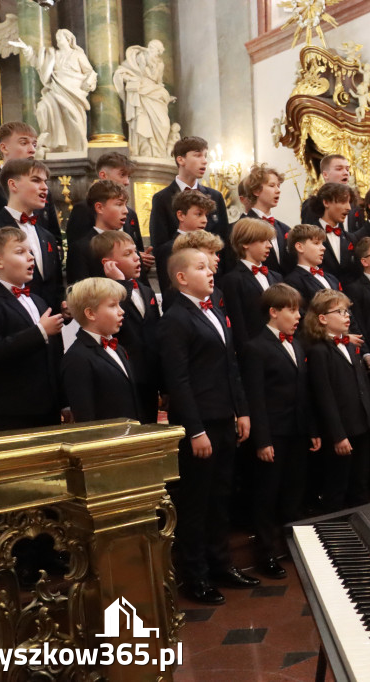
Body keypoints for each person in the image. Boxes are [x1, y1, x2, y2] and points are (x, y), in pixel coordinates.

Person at [158, 247, 255, 605]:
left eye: (209, 265)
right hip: (199, 425)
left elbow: (229, 365)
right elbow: (178, 380)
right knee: (196, 502)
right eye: (201, 267)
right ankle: (194, 576)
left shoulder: (214, 308)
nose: (211, 271)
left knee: (220, 496)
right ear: (181, 278)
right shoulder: (175, 319)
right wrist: (194, 430)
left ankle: (221, 564)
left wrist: (241, 410)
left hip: (224, 418)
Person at [242, 283, 320, 578]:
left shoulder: (297, 344)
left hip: (297, 430)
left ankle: (293, 548)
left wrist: (311, 428)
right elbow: (256, 397)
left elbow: (304, 391)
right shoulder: (255, 347)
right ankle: (266, 555)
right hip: (273, 434)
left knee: (294, 493)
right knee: (267, 496)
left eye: (298, 309)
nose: (298, 315)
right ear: (273, 312)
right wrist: (262, 440)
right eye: (291, 309)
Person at [0, 226, 65, 432]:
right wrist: (40, 332)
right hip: (12, 410)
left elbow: (54, 354)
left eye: (30, 251)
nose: (31, 257)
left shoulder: (38, 301)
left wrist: (64, 400)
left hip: (49, 404)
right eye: (20, 252)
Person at [306, 289, 370, 512]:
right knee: (337, 488)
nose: (347, 316)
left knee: (360, 486)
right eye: (340, 311)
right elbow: (324, 396)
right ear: (322, 318)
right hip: (341, 432)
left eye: (347, 311)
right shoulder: (319, 351)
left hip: (362, 427)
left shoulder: (351, 346)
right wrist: (338, 435)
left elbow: (364, 388)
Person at [0, 158, 66, 314]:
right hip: (9, 328)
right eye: (36, 180)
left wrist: (62, 308)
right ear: (13, 185)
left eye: (45, 182)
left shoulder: (46, 236)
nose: (45, 187)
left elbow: (54, 285)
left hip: (50, 332)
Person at [94, 229, 161, 424]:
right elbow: (114, 326)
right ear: (109, 264)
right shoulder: (103, 293)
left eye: (135, 252)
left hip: (148, 377)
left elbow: (155, 334)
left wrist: (162, 385)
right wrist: (119, 283)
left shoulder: (147, 291)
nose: (136, 258)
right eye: (127, 254)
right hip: (123, 378)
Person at [61, 278, 141, 422]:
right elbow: (85, 417)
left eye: (119, 305)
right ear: (90, 313)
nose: (121, 311)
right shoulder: (77, 358)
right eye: (112, 306)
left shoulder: (119, 349)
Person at [0, 121, 61, 239]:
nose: (32, 150)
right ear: (4, 147)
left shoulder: (43, 190)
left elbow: (53, 236)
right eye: (24, 143)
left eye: (34, 145)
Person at [66, 153, 150, 273]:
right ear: (103, 175)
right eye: (122, 175)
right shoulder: (83, 209)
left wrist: (140, 259)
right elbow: (79, 252)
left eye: (129, 176)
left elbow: (136, 248)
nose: (127, 182)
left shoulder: (130, 213)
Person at [19, 29, 96, 154]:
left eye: (60, 38)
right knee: (42, 108)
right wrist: (26, 49)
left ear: (68, 40)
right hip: (56, 88)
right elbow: (37, 63)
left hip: (73, 89)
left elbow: (89, 72)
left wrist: (89, 82)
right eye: (57, 38)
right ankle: (53, 142)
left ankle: (75, 146)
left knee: (72, 116)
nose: (58, 40)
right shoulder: (53, 54)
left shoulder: (77, 55)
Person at [149, 136, 229, 248]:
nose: (205, 161)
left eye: (205, 156)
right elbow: (159, 244)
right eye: (197, 155)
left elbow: (225, 241)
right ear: (181, 159)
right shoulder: (162, 198)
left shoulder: (215, 196)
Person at [222, 217, 282, 357]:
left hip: (279, 349)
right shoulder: (232, 280)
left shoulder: (276, 277)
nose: (269, 246)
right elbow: (238, 323)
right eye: (263, 241)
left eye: (269, 241)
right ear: (245, 243)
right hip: (254, 352)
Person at [113, 39, 176, 159]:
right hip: (141, 92)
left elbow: (159, 82)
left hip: (156, 93)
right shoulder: (140, 57)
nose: (157, 54)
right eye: (156, 50)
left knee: (164, 124)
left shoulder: (160, 63)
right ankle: (146, 151)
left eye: (159, 52)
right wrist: (130, 79)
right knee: (142, 121)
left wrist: (167, 97)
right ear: (151, 48)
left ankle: (159, 152)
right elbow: (123, 70)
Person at [67, 180, 130, 284]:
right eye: (119, 204)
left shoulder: (128, 243)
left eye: (125, 204)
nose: (126, 210)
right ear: (99, 208)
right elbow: (81, 292)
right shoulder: (82, 248)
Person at [155, 189, 216, 294]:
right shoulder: (169, 249)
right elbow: (170, 290)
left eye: (206, 215)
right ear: (181, 215)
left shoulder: (207, 245)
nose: (205, 220)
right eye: (198, 214)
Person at [240, 163, 291, 275]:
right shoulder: (240, 227)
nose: (278, 190)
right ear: (256, 191)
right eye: (272, 186)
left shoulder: (284, 229)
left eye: (279, 186)